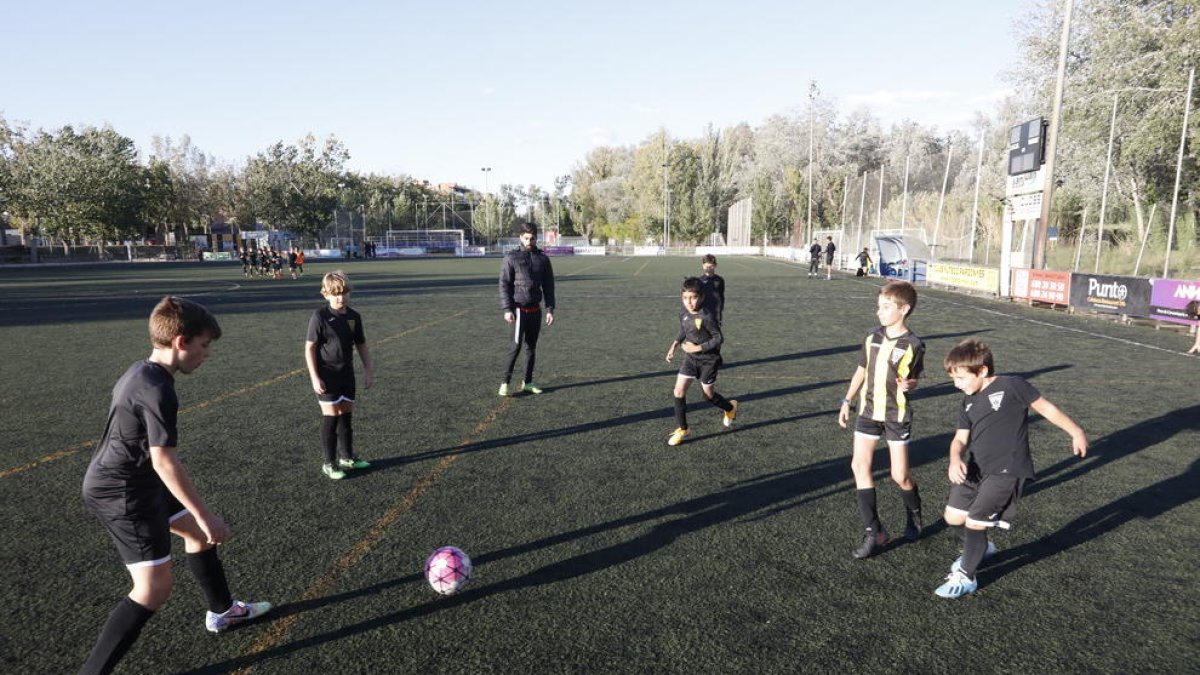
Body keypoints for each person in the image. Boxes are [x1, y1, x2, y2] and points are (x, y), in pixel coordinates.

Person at [80, 297, 271, 675]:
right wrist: (206, 514)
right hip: (122, 492)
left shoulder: (142, 372)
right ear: (181, 342)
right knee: (153, 589)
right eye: (204, 345)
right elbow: (164, 461)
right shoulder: (157, 389)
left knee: (197, 536)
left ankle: (223, 612)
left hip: (136, 481)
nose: (207, 354)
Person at [935, 337, 1088, 598]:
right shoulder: (967, 403)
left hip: (1008, 469)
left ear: (981, 371)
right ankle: (980, 548)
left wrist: (1076, 432)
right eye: (954, 378)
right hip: (975, 469)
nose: (956, 384)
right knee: (953, 517)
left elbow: (1047, 409)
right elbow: (960, 439)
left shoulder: (1013, 385)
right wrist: (955, 458)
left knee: (975, 523)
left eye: (960, 378)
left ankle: (967, 576)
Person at [837, 280, 925, 559]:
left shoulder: (914, 344)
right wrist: (846, 400)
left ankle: (914, 513)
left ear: (904, 309)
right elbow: (861, 370)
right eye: (879, 306)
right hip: (867, 411)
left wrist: (909, 386)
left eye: (886, 307)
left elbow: (914, 380)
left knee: (900, 475)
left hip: (895, 415)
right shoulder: (871, 337)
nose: (879, 312)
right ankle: (874, 532)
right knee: (859, 465)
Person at [305, 271, 375, 480]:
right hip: (327, 375)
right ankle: (329, 463)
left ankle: (347, 457)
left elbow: (361, 344)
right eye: (335, 294)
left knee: (346, 416)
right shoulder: (320, 317)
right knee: (331, 417)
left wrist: (368, 370)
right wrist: (315, 377)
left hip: (347, 374)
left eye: (344, 293)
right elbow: (309, 348)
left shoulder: (354, 317)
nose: (340, 297)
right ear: (325, 294)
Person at [664, 277, 738, 446]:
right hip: (690, 359)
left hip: (708, 361)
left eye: (693, 297)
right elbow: (683, 330)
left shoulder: (707, 316)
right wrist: (674, 346)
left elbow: (718, 338)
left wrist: (697, 348)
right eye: (685, 298)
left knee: (708, 395)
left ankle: (730, 408)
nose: (689, 302)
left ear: (701, 297)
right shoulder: (683, 313)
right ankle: (683, 428)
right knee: (678, 391)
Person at [498, 221, 555, 396]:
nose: (529, 241)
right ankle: (505, 382)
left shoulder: (543, 259)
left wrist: (550, 309)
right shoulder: (511, 258)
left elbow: (548, 286)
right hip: (518, 311)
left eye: (532, 238)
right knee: (515, 347)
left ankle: (528, 382)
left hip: (535, 311)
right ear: (520, 238)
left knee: (531, 347)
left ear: (536, 238)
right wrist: (507, 309)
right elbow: (504, 284)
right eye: (526, 238)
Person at [698, 254, 725, 325]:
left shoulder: (719, 280)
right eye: (707, 266)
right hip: (703, 312)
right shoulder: (699, 280)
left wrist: (720, 309)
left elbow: (721, 295)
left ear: (715, 265)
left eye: (711, 266)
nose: (709, 268)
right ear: (703, 266)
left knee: (716, 332)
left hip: (715, 311)